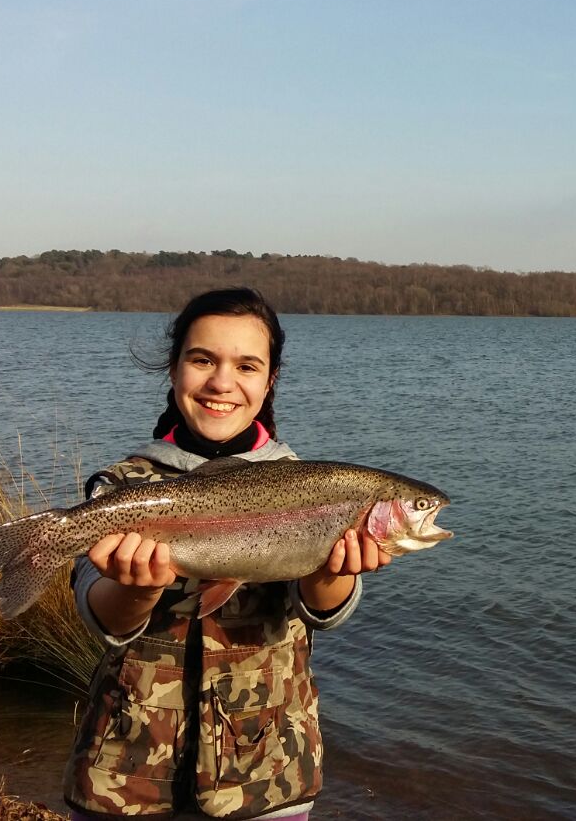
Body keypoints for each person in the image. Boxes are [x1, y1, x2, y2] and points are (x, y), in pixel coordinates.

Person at [64, 287, 389, 821]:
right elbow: (97, 611)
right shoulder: (122, 486)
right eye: (202, 360)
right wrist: (139, 587)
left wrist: (334, 570)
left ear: (270, 380)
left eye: (246, 366)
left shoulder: (315, 485)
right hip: (124, 775)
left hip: (267, 776)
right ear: (173, 370)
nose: (222, 382)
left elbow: (325, 611)